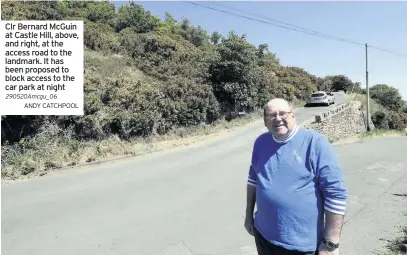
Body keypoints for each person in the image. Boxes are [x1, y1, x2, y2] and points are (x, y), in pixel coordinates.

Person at [244, 98, 347, 255]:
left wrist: (330, 243)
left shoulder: (316, 143)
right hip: (263, 236)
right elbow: (253, 179)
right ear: (265, 122)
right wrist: (248, 216)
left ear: (293, 116)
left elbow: (335, 194)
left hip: (302, 246)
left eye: (282, 113)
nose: (278, 118)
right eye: (271, 115)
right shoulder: (260, 142)